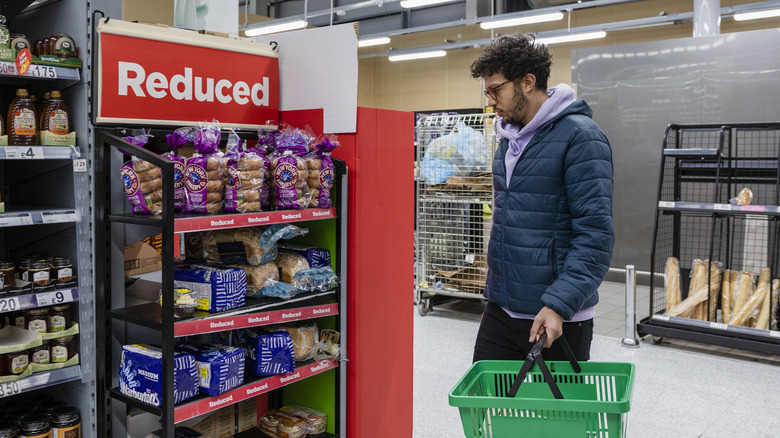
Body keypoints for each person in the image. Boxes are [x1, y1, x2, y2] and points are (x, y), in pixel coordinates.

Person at [470, 34, 615, 362]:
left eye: (496, 89)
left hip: (554, 317)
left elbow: (595, 235)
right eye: (487, 91)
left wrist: (559, 304)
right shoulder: (510, 138)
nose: (491, 100)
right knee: (488, 408)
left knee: (554, 413)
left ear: (527, 82)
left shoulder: (581, 137)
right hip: (502, 308)